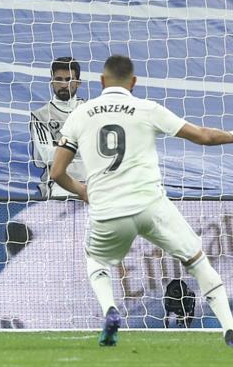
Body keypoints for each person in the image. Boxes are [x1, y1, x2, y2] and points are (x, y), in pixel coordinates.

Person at [50, 54, 233, 347]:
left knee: (96, 260)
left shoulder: (80, 115)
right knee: (197, 261)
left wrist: (84, 191)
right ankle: (229, 328)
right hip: (150, 204)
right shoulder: (146, 108)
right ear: (133, 82)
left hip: (108, 207)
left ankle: (110, 309)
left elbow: (57, 172)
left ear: (101, 82)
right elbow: (203, 136)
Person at [31, 56, 86, 197]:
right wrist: (81, 146)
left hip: (92, 183)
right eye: (59, 79)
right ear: (52, 81)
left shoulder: (90, 111)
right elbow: (46, 156)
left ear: (78, 83)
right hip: (58, 186)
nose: (63, 84)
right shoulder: (40, 115)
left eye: (68, 80)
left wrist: (62, 147)